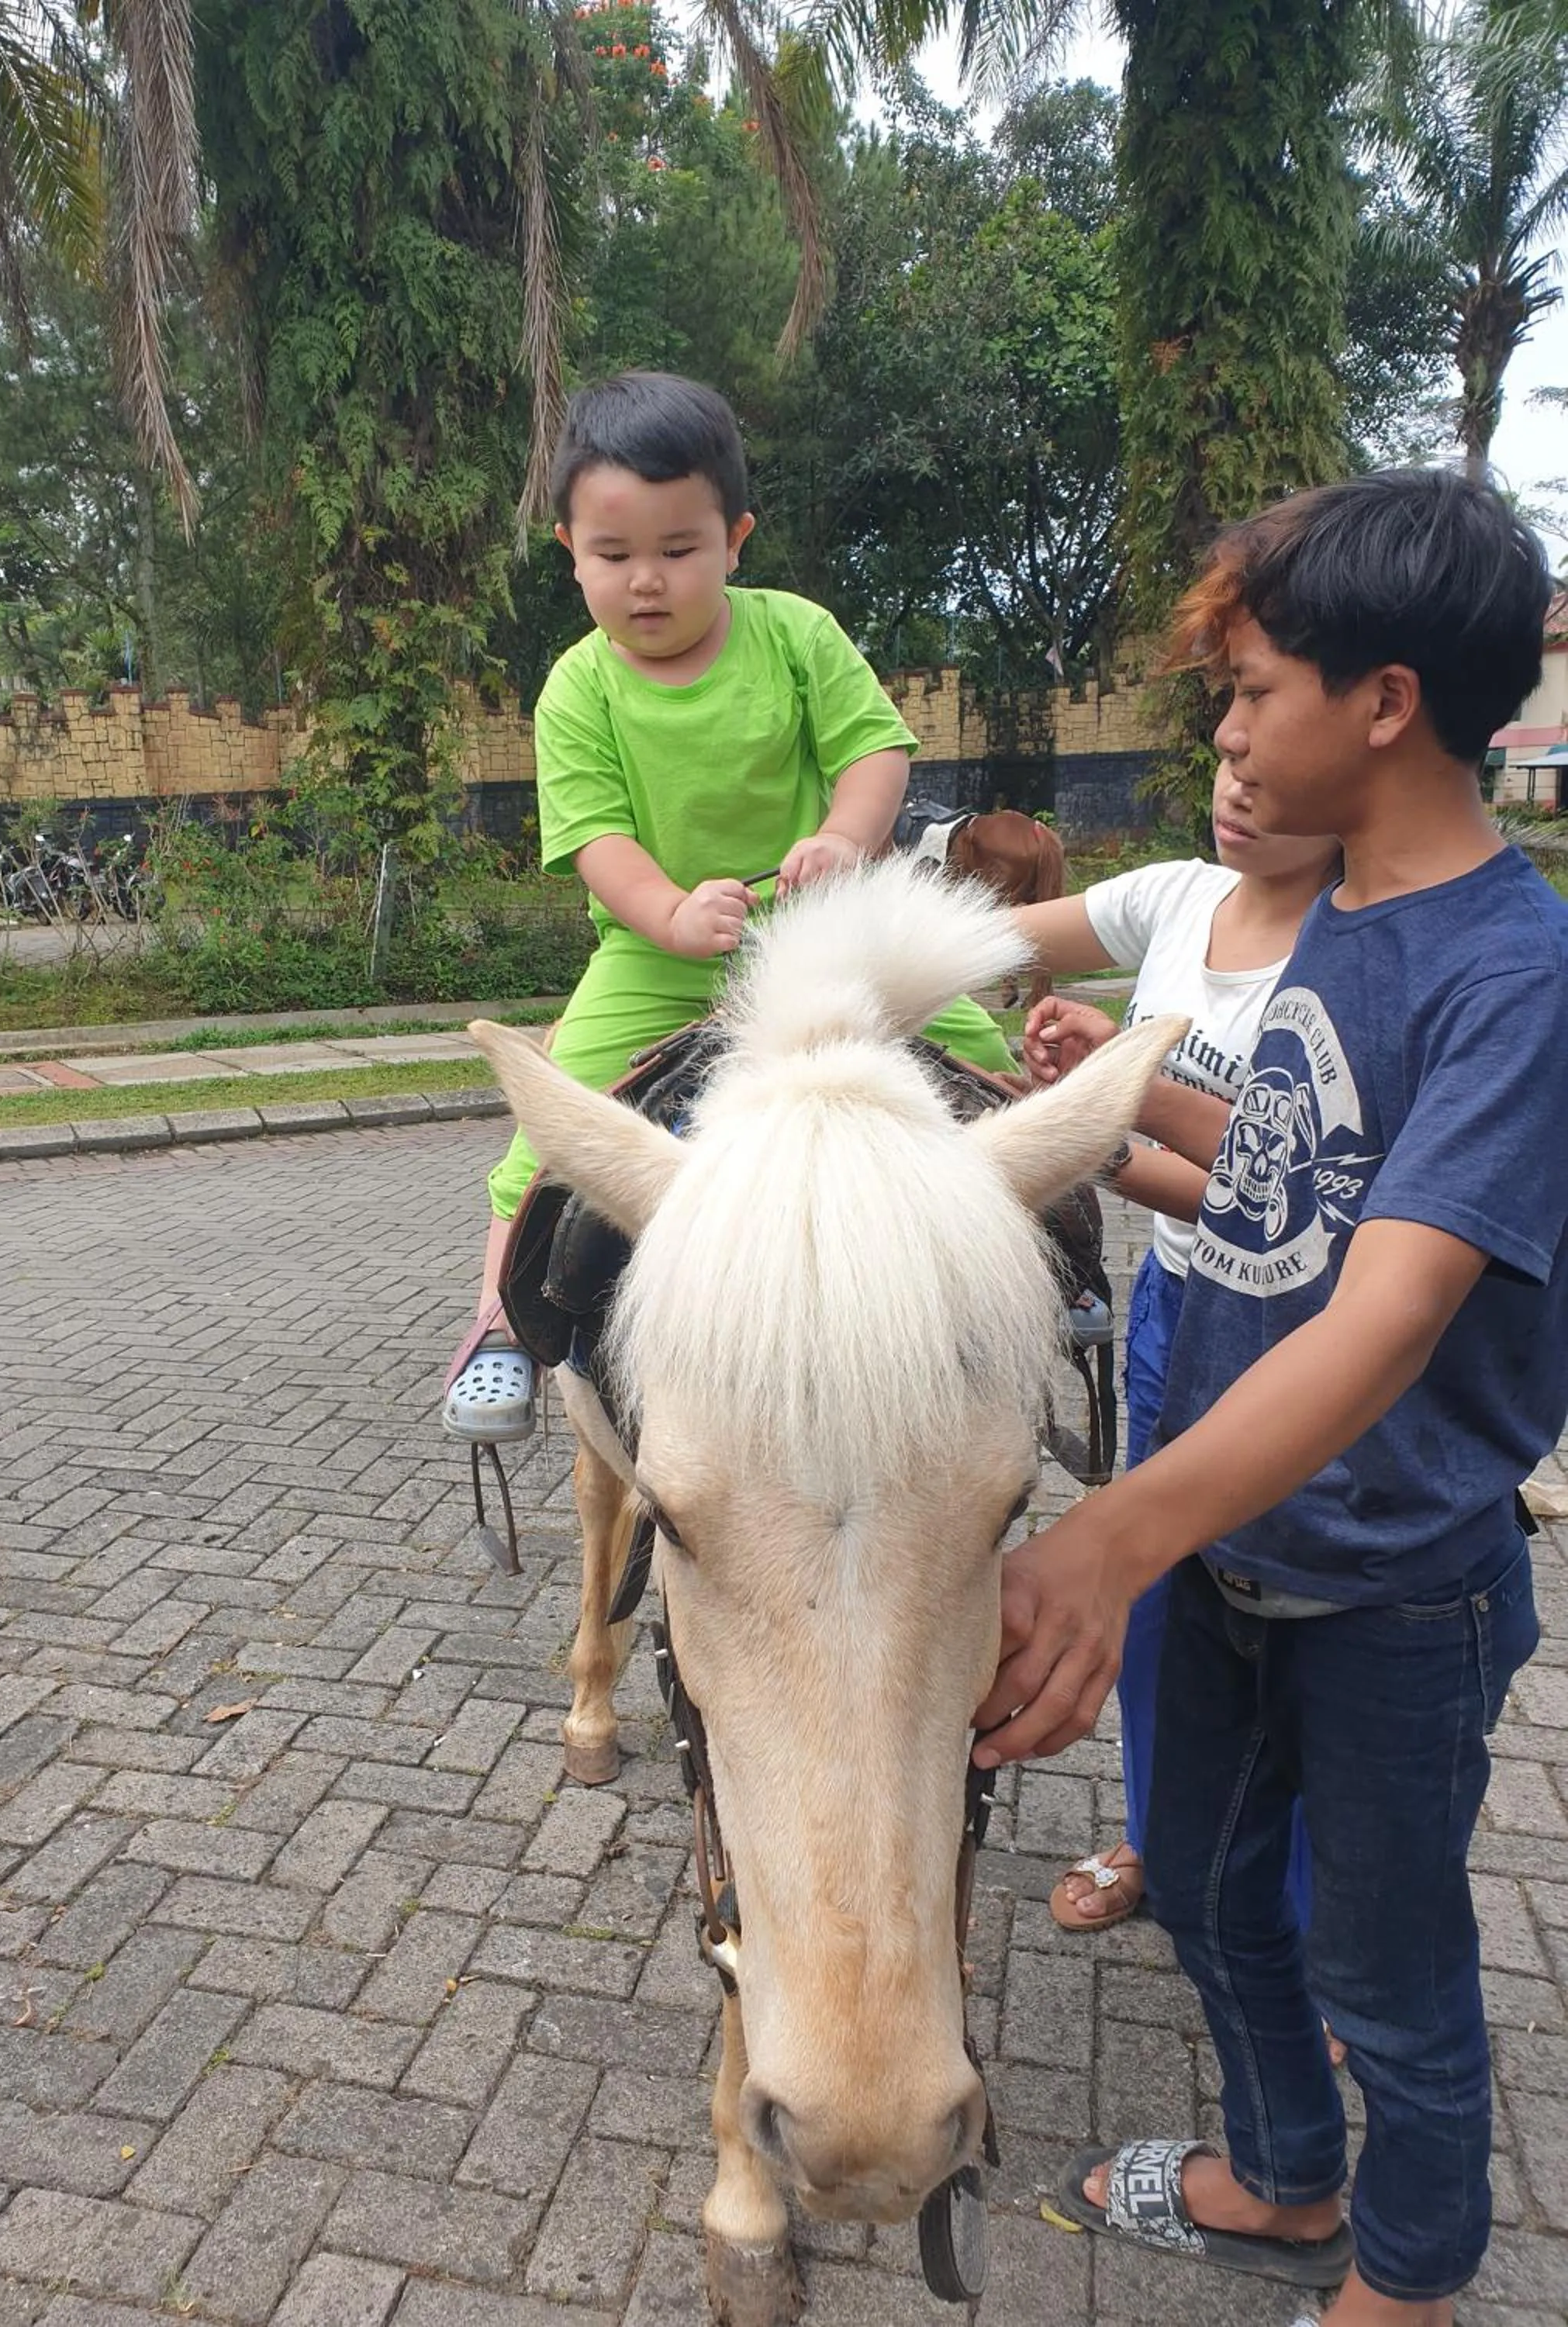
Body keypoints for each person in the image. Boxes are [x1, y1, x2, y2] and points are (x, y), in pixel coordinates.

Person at [973, 467, 1562, 2327]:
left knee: (1390, 1970)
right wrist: (1124, 1101)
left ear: (1384, 703)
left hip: (1393, 1588)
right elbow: (1294, 1167)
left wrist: (1109, 1539)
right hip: (1235, 1545)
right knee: (1223, 1899)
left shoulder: (1513, 973)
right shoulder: (1329, 921)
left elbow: (1386, 1314)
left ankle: (1413, 2275)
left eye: (1250, 692)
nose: (1225, 733)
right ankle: (1289, 2183)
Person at [442, 371, 1014, 1437]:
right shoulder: (578, 687)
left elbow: (875, 754)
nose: (646, 581)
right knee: (554, 1121)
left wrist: (843, 841)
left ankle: (1048, 1258)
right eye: (613, 555)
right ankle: (502, 1322)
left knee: (978, 1054)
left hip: (823, 935)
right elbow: (597, 839)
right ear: (570, 551)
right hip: (656, 955)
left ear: (735, 540)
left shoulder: (796, 636)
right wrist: (666, 914)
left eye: (678, 549)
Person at [1009, 780, 1340, 1932]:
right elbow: (989, 934)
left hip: (1298, 1320)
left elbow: (1291, 1206)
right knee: (1159, 1592)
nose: (1241, 771)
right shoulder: (1178, 897)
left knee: (1300, 1619)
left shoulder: (1356, 946)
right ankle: (1166, 1836)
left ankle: (1315, 1911)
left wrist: (1117, 1103)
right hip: (1176, 1300)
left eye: (1269, 711)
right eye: (1231, 716)